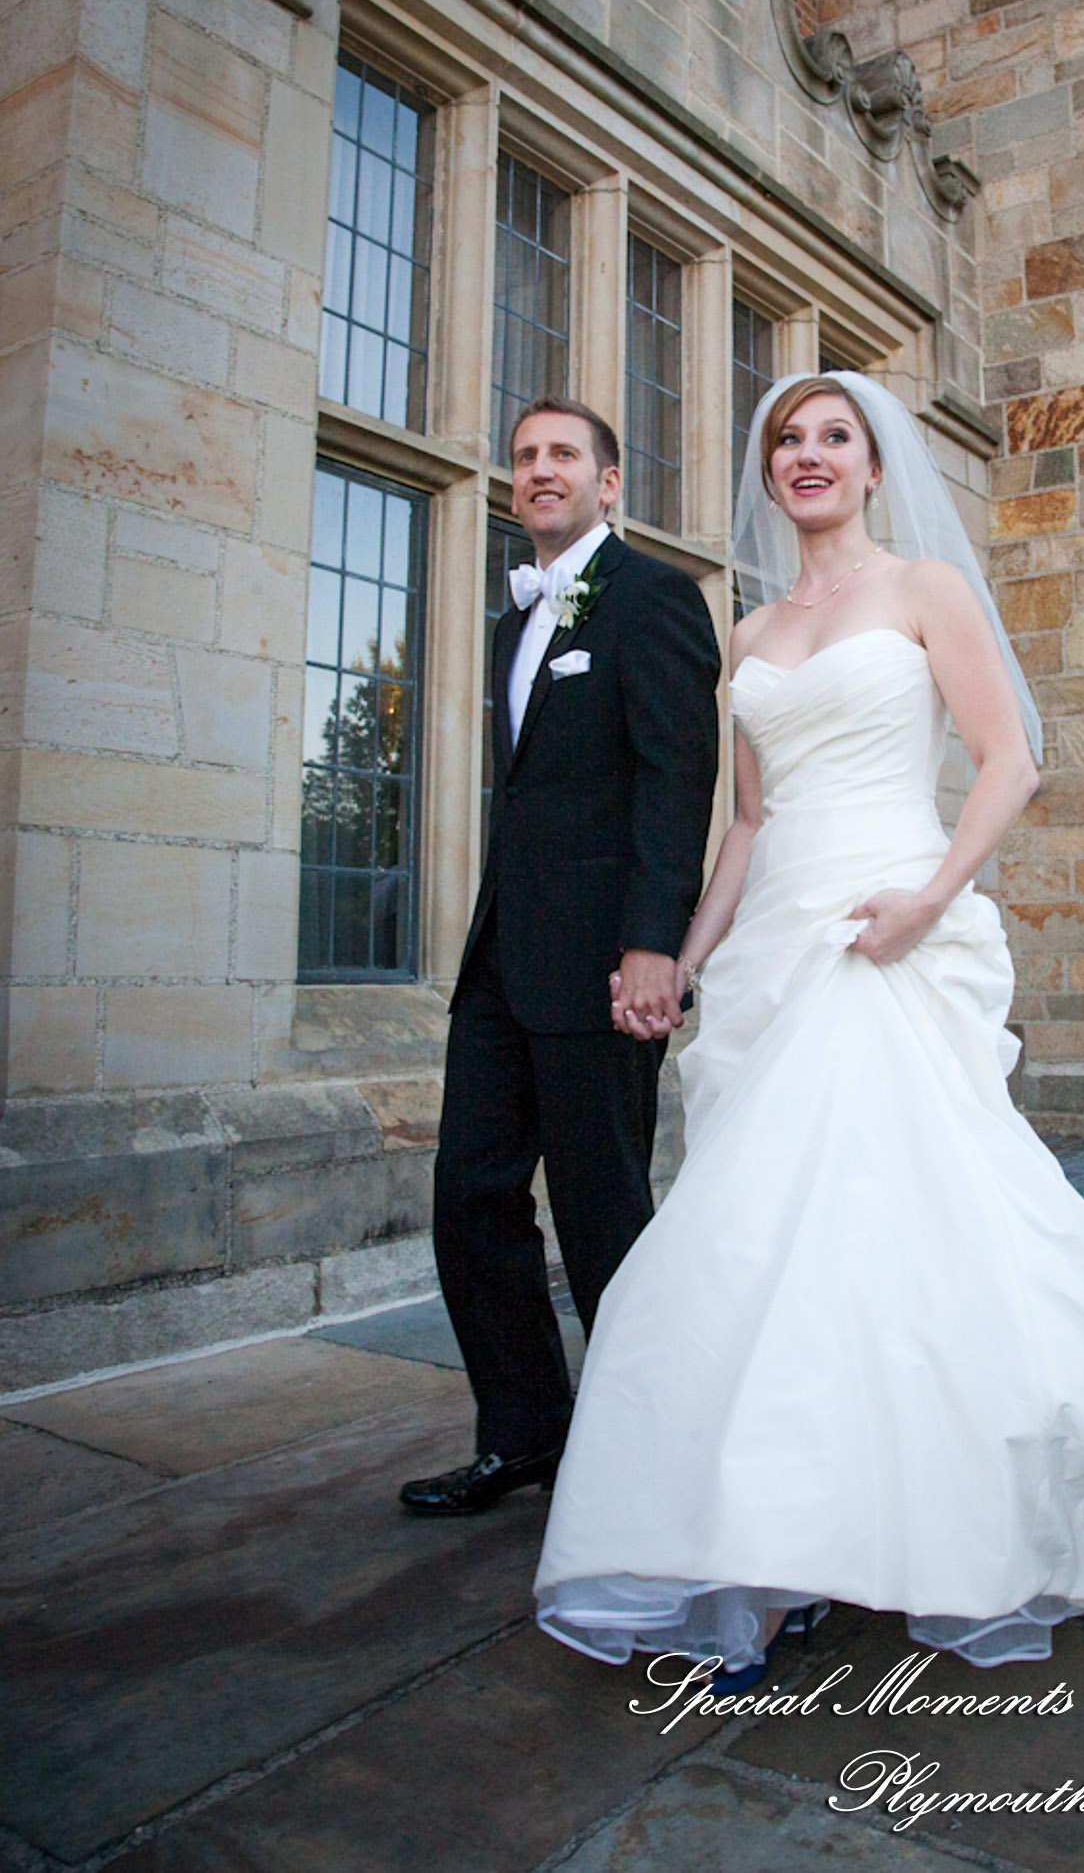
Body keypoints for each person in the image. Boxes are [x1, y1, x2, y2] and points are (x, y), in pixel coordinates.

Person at [532, 373, 1084, 1674]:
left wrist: (927, 897)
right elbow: (749, 819)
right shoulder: (746, 636)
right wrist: (688, 957)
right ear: (771, 475)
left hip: (890, 925)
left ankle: (934, 1514)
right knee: (765, 1237)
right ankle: (779, 1542)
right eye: (785, 441)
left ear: (872, 466)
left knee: (897, 1221)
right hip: (778, 948)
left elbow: (1010, 755)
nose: (807, 455)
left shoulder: (925, 590)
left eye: (832, 437)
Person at [400, 397, 721, 1516]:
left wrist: (653, 946)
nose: (539, 471)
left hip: (603, 964)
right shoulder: (511, 622)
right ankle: (527, 1430)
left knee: (602, 1211)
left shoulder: (655, 601)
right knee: (470, 1194)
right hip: (501, 957)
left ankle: (649, 1458)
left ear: (609, 480)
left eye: (563, 455)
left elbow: (678, 782)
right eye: (524, 454)